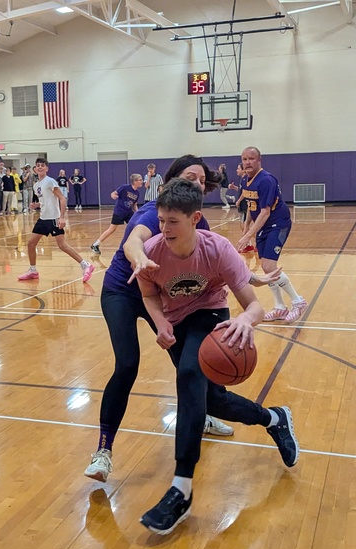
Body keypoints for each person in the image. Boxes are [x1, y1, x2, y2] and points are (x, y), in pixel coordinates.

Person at [84, 154, 277, 485]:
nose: (198, 183)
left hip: (163, 294)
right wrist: (142, 258)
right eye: (191, 177)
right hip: (126, 291)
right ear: (174, 178)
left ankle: (202, 414)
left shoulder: (193, 220)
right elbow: (132, 241)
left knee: (194, 368)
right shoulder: (154, 214)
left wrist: (249, 279)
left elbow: (218, 258)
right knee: (127, 364)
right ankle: (104, 450)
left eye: (202, 180)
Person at [134, 178, 299, 534]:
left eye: (173, 221)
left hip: (210, 315)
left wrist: (243, 319)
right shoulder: (152, 250)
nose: (164, 228)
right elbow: (148, 295)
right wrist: (160, 322)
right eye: (161, 220)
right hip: (176, 324)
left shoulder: (218, 249)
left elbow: (254, 305)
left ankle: (181, 488)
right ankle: (274, 419)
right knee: (212, 402)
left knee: (189, 376)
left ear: (195, 219)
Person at [236, 147, 308, 322]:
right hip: (263, 226)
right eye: (244, 159)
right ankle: (280, 307)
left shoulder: (266, 180)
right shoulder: (245, 181)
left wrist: (247, 237)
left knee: (269, 266)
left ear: (259, 160)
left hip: (278, 223)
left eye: (251, 159)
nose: (247, 162)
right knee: (267, 268)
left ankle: (298, 301)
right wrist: (246, 227)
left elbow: (265, 212)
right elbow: (251, 207)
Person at [17, 158, 96, 282]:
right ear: (35, 169)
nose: (40, 167)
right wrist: (37, 205)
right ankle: (33, 270)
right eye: (38, 166)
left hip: (53, 218)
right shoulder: (36, 185)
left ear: (47, 168)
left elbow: (62, 198)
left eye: (42, 165)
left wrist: (62, 217)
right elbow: (46, 201)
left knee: (62, 245)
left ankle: (86, 265)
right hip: (43, 218)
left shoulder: (50, 181)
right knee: (31, 243)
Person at [90, 174, 141, 255]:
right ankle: (96, 244)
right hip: (119, 211)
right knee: (112, 229)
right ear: (135, 181)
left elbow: (134, 205)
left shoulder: (137, 193)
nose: (142, 181)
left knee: (136, 226)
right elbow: (113, 193)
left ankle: (132, 245)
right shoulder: (125, 187)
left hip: (128, 212)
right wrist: (113, 195)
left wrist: (138, 214)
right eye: (140, 180)